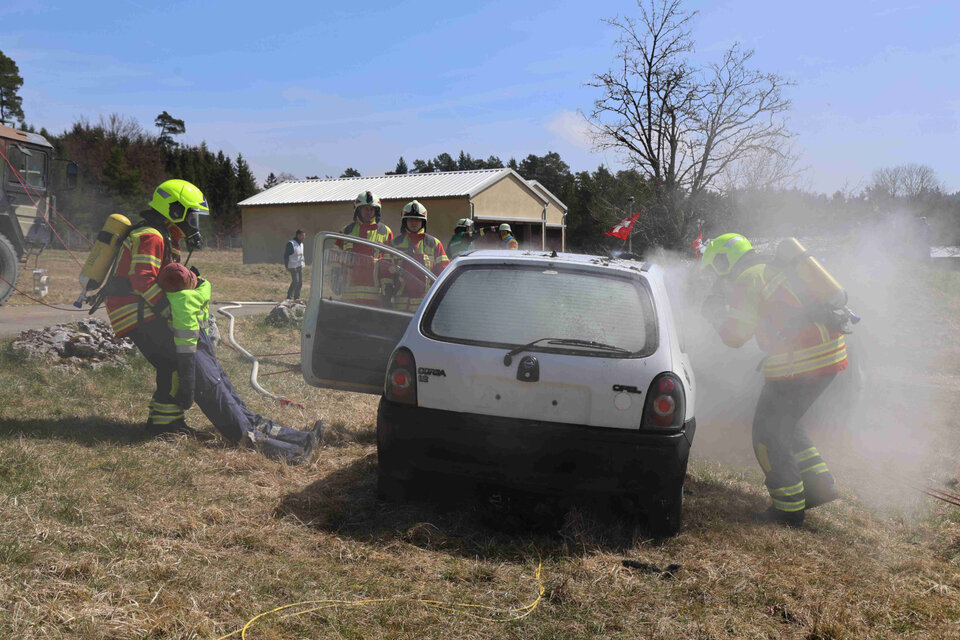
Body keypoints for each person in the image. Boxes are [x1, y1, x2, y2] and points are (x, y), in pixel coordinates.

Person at [701, 233, 846, 527]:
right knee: (786, 424)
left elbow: (735, 337)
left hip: (799, 362)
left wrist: (715, 314)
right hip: (830, 356)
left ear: (724, 260)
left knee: (767, 435)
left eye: (716, 267)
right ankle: (819, 487)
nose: (718, 276)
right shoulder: (774, 268)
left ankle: (788, 510)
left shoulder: (748, 278)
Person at [158, 262, 321, 463]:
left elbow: (185, 353)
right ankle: (301, 440)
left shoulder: (180, 301)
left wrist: (187, 388)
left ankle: (295, 453)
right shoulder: (200, 289)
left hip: (198, 364)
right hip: (208, 359)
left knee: (237, 425)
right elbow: (201, 284)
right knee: (243, 413)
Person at [104, 179, 208, 436]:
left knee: (169, 362)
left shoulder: (162, 235)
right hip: (133, 310)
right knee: (172, 361)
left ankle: (167, 421)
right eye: (191, 217)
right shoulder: (151, 236)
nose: (193, 225)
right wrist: (166, 310)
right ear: (175, 211)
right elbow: (142, 280)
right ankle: (165, 425)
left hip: (139, 307)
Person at [330, 191, 394, 307]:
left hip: (375, 296)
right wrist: (335, 275)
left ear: (376, 211)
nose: (368, 212)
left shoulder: (385, 232)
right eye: (365, 209)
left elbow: (388, 262)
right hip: (350, 296)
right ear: (358, 210)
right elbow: (336, 256)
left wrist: (388, 286)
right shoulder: (346, 231)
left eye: (371, 209)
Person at [389, 200, 450, 312]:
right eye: (411, 219)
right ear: (405, 221)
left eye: (418, 220)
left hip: (424, 307)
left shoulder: (434, 244)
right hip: (400, 306)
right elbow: (386, 271)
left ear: (423, 222)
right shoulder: (394, 243)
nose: (414, 223)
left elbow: (442, 273)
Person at [283, 229, 306, 300]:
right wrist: (286, 266)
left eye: (304, 236)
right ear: (298, 235)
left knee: (300, 282)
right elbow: (286, 255)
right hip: (292, 265)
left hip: (299, 265)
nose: (303, 237)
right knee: (296, 281)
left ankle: (297, 297)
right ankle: (289, 296)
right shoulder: (291, 243)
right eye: (302, 236)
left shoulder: (301, 244)